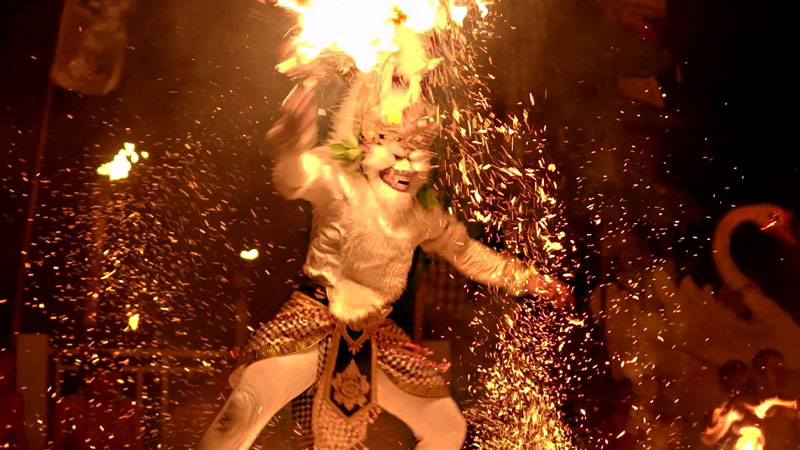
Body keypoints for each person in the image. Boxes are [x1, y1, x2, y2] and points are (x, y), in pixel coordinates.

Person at [198, 65, 570, 449]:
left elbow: (468, 254)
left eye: (415, 153)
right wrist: (292, 139)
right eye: (396, 151)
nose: (406, 166)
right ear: (366, 144)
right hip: (313, 319)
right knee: (242, 410)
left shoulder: (420, 213)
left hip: (376, 335)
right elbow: (293, 176)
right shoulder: (336, 177)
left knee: (446, 428)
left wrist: (531, 280)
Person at [51, 366, 143, 450]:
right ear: (89, 378)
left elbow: (139, 446)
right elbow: (56, 446)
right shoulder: (71, 406)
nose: (115, 380)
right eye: (108, 375)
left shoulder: (126, 407)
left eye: (116, 375)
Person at [0, 350, 28, 450]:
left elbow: (21, 442)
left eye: (12, 367)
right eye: (5, 365)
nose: (10, 372)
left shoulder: (14, 400)